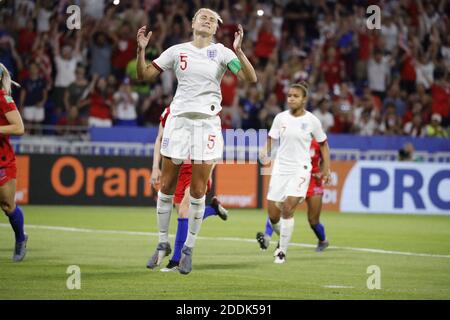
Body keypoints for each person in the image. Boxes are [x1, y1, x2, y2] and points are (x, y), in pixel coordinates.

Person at [136, 8, 257, 274]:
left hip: (207, 124)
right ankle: (162, 242)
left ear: (215, 29)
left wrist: (239, 50)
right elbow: (144, 76)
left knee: (199, 190)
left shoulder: (223, 53)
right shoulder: (175, 51)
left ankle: (188, 248)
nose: (207, 20)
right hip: (178, 122)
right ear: (192, 23)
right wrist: (141, 50)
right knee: (166, 186)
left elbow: (250, 78)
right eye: (203, 16)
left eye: (213, 20)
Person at [149, 107, 228, 272]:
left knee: (185, 212)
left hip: (195, 169)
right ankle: (212, 210)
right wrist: (155, 168)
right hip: (177, 170)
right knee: (182, 215)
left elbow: (213, 144)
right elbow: (160, 139)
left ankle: (176, 260)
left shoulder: (206, 108)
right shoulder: (170, 112)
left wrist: (209, 172)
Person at [259, 82, 331, 264]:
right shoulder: (280, 118)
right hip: (281, 169)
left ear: (304, 99)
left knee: (288, 207)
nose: (291, 98)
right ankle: (281, 236)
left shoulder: (312, 121)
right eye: (289, 95)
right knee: (273, 215)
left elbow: (323, 144)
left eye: (296, 96)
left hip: (301, 169)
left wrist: (326, 168)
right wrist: (264, 150)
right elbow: (271, 138)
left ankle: (281, 251)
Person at [257, 139, 329, 254]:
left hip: (313, 181)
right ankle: (267, 237)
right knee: (280, 207)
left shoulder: (317, 140)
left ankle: (323, 240)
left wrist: (323, 172)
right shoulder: (293, 139)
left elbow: (325, 158)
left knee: (313, 220)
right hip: (295, 179)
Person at [0, 63, 27, 262]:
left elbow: (18, 128)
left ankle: (20, 238)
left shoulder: (3, 99)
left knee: (8, 206)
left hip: (3, 161)